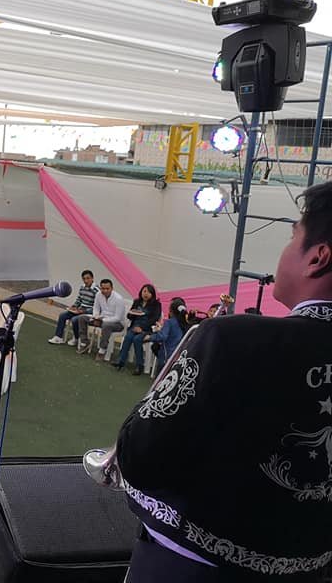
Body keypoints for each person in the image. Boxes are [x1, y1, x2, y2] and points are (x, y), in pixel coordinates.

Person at [114, 181, 332, 581]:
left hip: (188, 568)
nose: (285, 249)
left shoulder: (230, 337)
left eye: (292, 237)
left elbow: (139, 458)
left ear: (317, 258)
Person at [113, 284, 162, 374]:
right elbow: (129, 315)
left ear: (152, 294)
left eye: (149, 292)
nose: (146, 294)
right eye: (144, 291)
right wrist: (132, 313)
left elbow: (154, 319)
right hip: (134, 327)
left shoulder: (156, 305)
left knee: (137, 339)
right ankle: (121, 361)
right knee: (128, 337)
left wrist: (141, 328)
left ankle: (139, 365)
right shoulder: (137, 302)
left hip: (147, 329)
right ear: (141, 292)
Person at [75, 279, 125, 360]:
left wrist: (102, 320)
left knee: (106, 325)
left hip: (117, 324)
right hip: (101, 319)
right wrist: (96, 317)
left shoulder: (118, 299)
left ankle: (102, 350)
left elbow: (118, 317)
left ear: (112, 288)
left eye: (107, 289)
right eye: (103, 288)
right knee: (82, 318)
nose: (105, 291)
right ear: (100, 288)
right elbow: (96, 308)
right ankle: (84, 343)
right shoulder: (98, 294)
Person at [48, 269, 97, 345]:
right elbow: (79, 300)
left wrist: (84, 311)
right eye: (84, 279)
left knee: (74, 320)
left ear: (92, 278)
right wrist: (74, 306)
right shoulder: (82, 287)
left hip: (89, 312)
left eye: (88, 278)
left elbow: (97, 307)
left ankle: (76, 338)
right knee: (62, 315)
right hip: (80, 310)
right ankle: (58, 337)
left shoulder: (96, 290)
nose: (86, 281)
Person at [142, 296, 188, 370]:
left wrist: (150, 337)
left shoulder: (169, 322)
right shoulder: (186, 323)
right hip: (179, 356)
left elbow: (162, 336)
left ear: (171, 311)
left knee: (161, 374)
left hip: (167, 355)